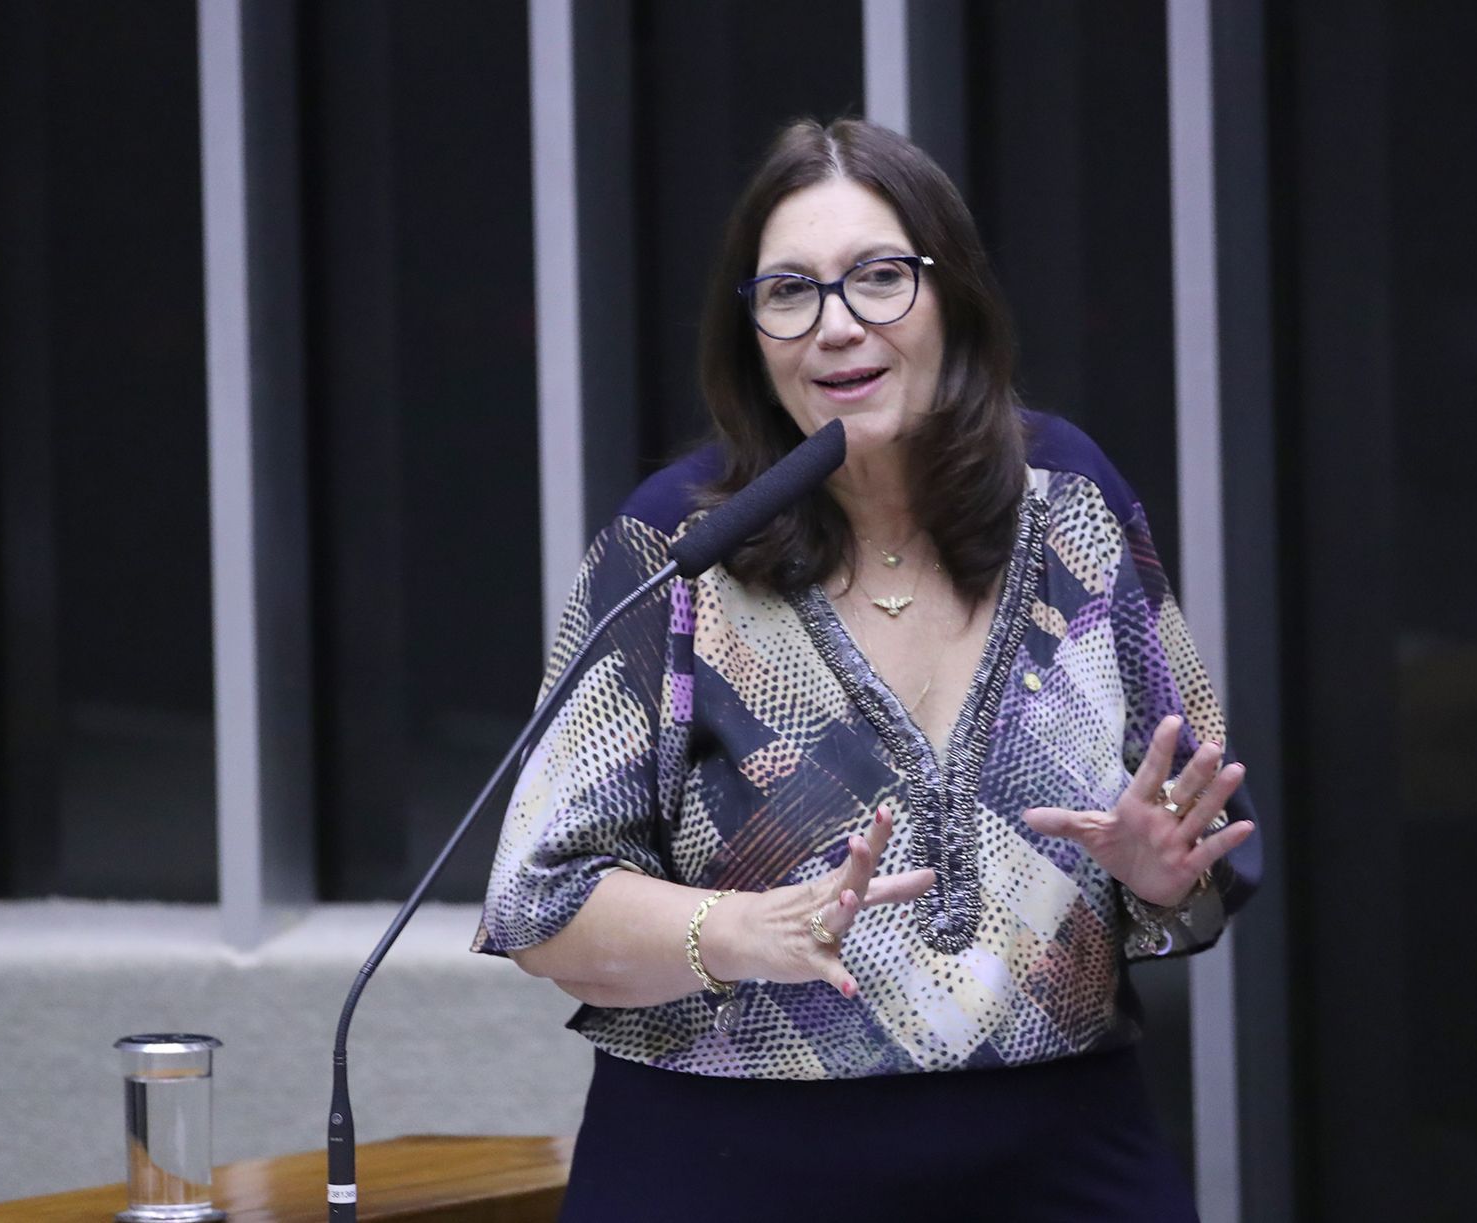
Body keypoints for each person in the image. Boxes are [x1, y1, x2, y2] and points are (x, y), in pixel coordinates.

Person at [475, 116, 1262, 1222]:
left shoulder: (1071, 503)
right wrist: (745, 933)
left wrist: (1158, 873)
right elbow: (542, 899)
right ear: (752, 332)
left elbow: (1207, 836)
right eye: (789, 292)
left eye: (880, 277)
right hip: (727, 1168)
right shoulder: (680, 544)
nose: (836, 325)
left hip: (1062, 1156)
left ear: (954, 296)